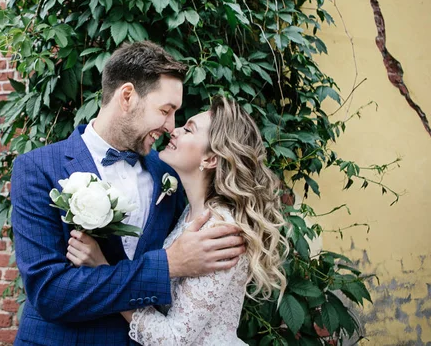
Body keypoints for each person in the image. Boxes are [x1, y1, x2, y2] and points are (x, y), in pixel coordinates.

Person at [10, 41, 246, 345]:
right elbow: (49, 292)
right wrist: (168, 265)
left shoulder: (168, 174)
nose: (170, 126)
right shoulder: (38, 168)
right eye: (165, 110)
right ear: (127, 96)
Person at [68, 96, 289, 345]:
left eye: (189, 129)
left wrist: (102, 269)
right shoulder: (191, 212)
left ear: (210, 159)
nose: (174, 131)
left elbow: (174, 338)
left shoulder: (220, 230)